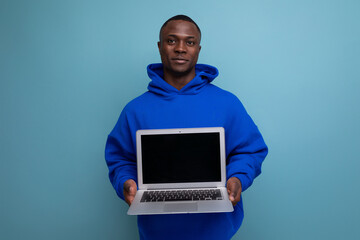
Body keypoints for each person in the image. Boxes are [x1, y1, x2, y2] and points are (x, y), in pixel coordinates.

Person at [105, 15, 268, 240]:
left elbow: (249, 150)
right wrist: (126, 182)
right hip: (157, 232)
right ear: (160, 47)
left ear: (198, 49)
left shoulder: (227, 103)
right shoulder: (135, 110)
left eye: (189, 42)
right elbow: (120, 159)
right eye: (172, 41)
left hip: (216, 230)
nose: (181, 48)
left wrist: (238, 177)